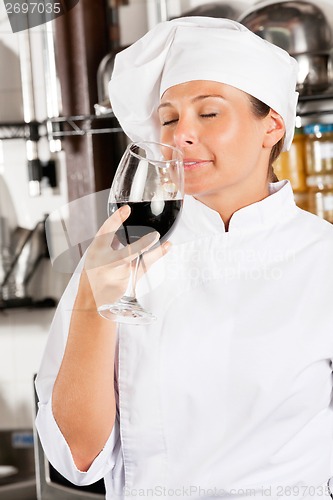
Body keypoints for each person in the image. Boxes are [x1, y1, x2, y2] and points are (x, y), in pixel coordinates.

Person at [35, 16, 333, 500]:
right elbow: (78, 457)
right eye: (169, 119)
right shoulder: (113, 260)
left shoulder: (324, 261)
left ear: (272, 125)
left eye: (209, 114)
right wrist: (94, 301)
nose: (180, 135)